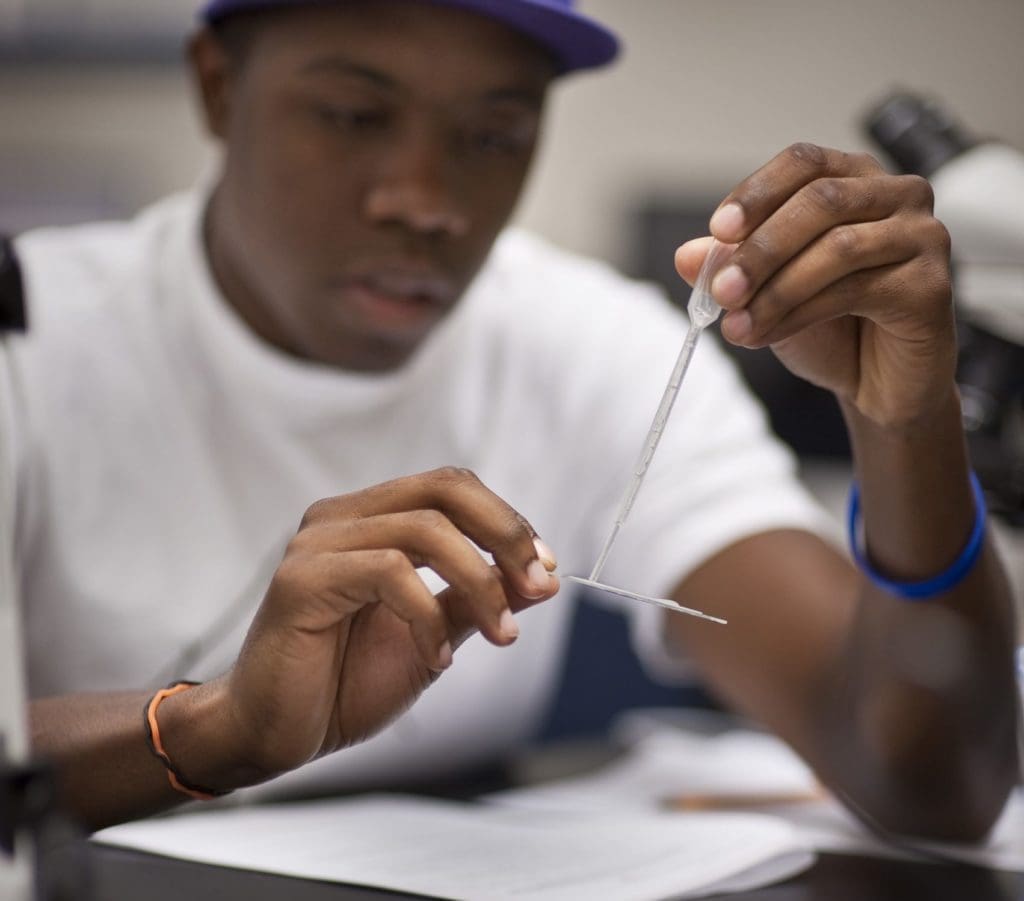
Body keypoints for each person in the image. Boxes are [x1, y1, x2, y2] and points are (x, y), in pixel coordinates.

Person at [5, 0, 1018, 839]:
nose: (427, 200)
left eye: (494, 134)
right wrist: (210, 730)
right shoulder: (32, 342)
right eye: (354, 115)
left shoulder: (586, 343)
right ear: (218, 87)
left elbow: (931, 784)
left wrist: (905, 423)